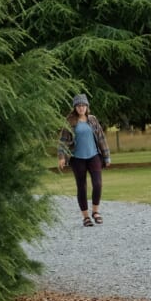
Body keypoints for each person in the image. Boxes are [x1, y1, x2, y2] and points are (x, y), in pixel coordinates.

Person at [57, 94, 111, 226]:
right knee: (82, 187)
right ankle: (86, 217)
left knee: (97, 184)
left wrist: (106, 156)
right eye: (78, 106)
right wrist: (61, 157)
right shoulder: (69, 122)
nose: (81, 108)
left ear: (87, 107)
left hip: (94, 156)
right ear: (75, 107)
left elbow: (101, 138)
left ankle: (96, 212)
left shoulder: (92, 120)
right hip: (77, 158)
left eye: (83, 105)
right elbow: (62, 142)